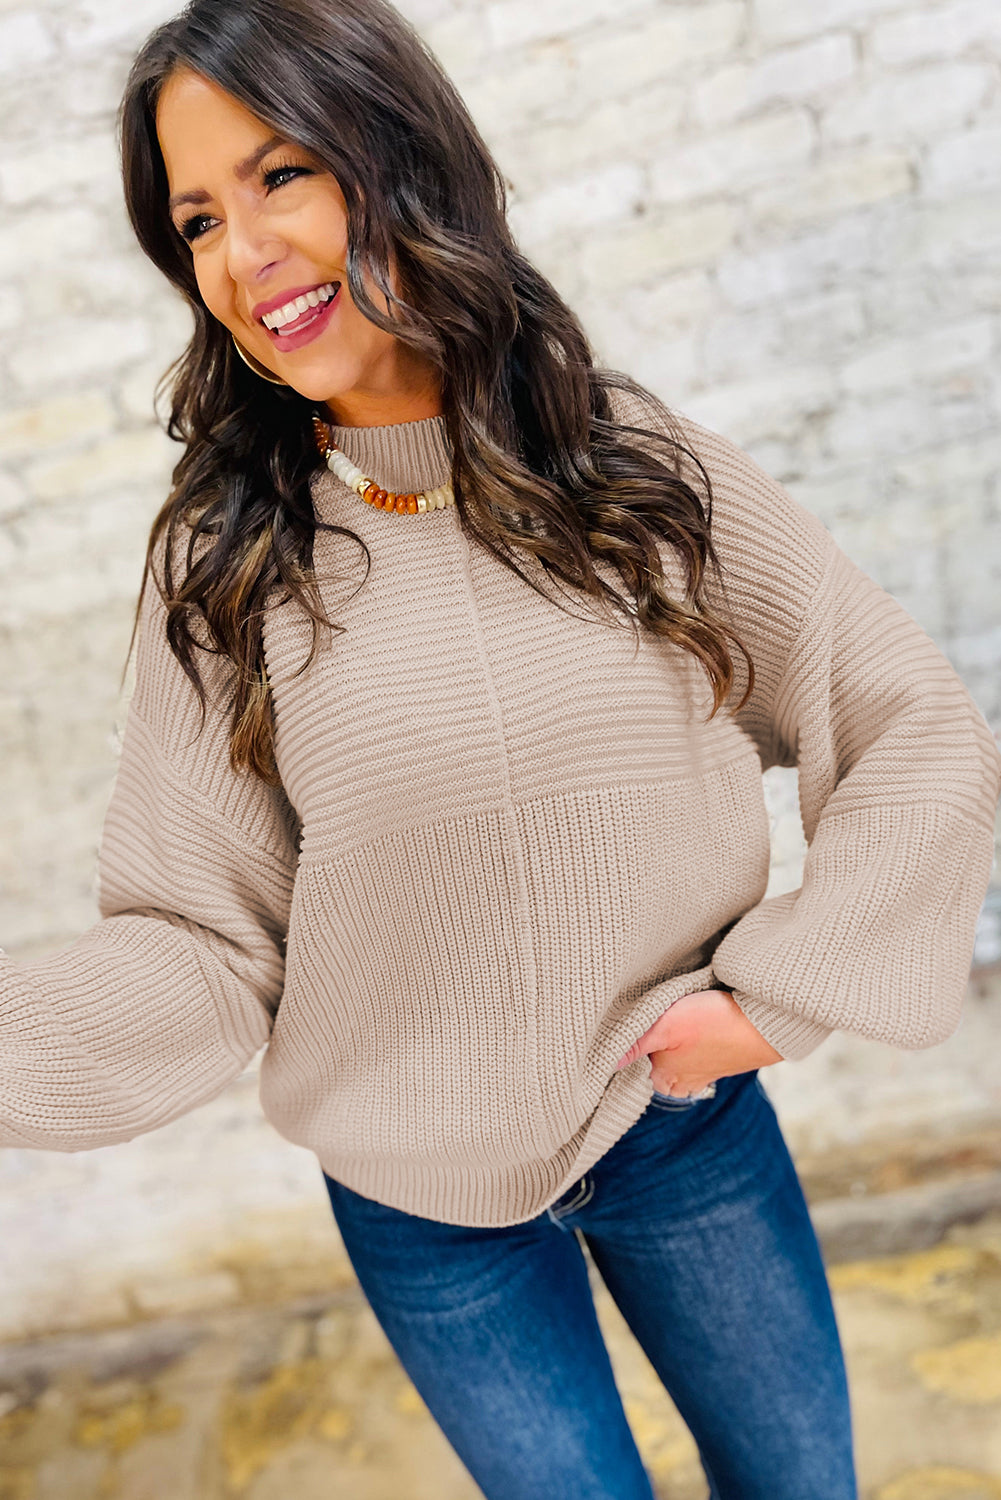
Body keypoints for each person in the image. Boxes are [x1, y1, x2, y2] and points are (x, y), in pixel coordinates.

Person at [3, 0, 999, 1495]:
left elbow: (906, 718)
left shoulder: (630, 466)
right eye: (198, 219)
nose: (241, 253)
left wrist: (774, 1001)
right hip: (421, 1209)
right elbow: (202, 942)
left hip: (681, 1134)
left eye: (280, 176)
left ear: (396, 157)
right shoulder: (226, 566)